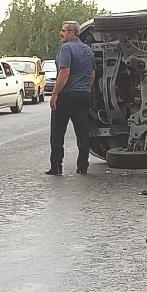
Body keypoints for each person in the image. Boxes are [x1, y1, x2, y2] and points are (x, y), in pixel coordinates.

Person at [46, 21, 94, 176]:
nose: (62, 33)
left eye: (64, 30)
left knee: (57, 132)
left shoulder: (66, 48)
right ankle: (83, 166)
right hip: (84, 95)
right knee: (82, 132)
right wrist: (86, 88)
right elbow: (92, 74)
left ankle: (56, 166)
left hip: (67, 95)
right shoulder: (88, 50)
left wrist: (55, 94)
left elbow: (64, 72)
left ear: (72, 32)